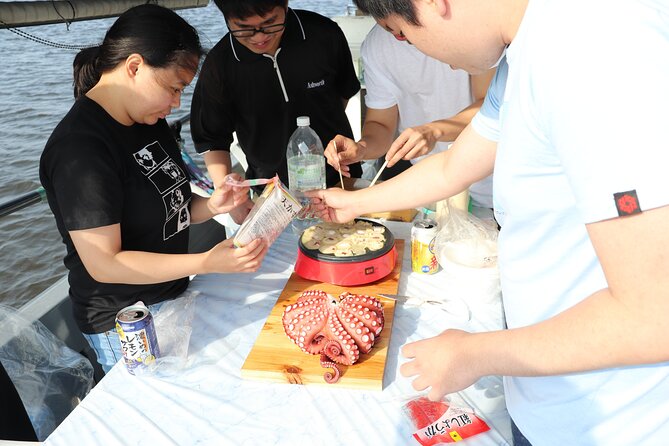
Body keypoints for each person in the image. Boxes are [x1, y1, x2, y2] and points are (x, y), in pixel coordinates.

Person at [307, 0, 669, 444]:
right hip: (545, 390)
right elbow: (452, 168)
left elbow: (655, 315)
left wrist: (476, 353)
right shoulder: (522, 52)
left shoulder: (592, 50)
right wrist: (352, 203)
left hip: (614, 419)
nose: (411, 46)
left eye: (403, 31)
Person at [39, 4, 268, 374]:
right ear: (134, 67)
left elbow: (168, 203)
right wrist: (206, 261)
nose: (176, 103)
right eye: (174, 88)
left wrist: (213, 204)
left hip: (174, 295)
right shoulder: (80, 147)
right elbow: (104, 263)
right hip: (126, 321)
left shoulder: (147, 119)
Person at [189, 0, 363, 224]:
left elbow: (344, 91)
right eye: (243, 27)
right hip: (272, 195)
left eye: (270, 23)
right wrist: (232, 197)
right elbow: (212, 139)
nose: (259, 37)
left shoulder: (324, 34)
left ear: (286, 5)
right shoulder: (219, 65)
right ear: (226, 18)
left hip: (342, 179)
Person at [324, 23, 494, 208]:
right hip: (429, 187)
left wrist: (433, 131)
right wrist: (361, 149)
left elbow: (491, 106)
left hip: (490, 183)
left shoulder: (465, 26)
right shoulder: (378, 44)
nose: (392, 28)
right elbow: (381, 124)